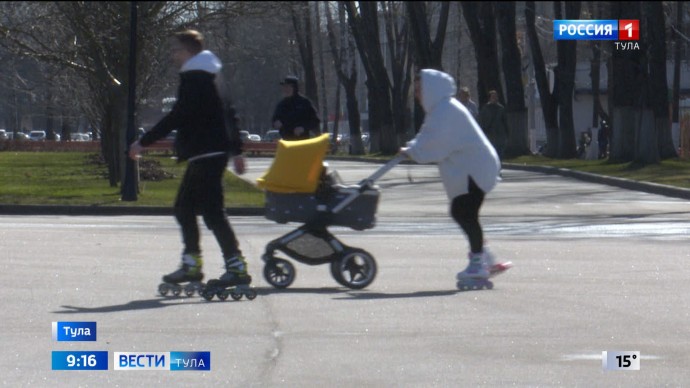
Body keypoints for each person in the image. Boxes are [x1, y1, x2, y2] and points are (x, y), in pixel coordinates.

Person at [128, 30, 252, 293]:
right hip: (210, 152)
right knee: (191, 209)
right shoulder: (211, 74)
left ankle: (230, 266)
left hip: (205, 152)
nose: (173, 55)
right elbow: (229, 113)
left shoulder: (195, 77)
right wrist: (236, 151)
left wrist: (143, 142)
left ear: (188, 51)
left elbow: (179, 115)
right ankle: (203, 263)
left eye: (176, 50)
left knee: (203, 211)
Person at [400, 69, 512, 289]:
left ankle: (479, 263)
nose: (417, 95)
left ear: (431, 89)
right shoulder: (440, 110)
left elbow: (436, 143)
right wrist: (411, 148)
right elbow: (426, 137)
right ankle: (486, 258)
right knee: (465, 213)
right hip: (474, 168)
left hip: (475, 170)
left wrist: (413, 152)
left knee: (463, 212)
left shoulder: (446, 111)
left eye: (420, 89)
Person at [271, 76, 321, 140]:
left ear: (294, 88)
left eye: (288, 87)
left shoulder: (304, 103)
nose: (286, 89)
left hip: (302, 141)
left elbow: (316, 120)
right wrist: (276, 123)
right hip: (286, 141)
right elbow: (274, 119)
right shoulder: (281, 104)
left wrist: (303, 128)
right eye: (284, 87)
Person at [478, 90, 510, 161]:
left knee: (499, 153)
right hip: (489, 135)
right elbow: (481, 121)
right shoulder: (485, 109)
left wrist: (507, 134)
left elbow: (505, 121)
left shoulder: (501, 108)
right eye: (493, 96)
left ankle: (499, 167)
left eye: (496, 96)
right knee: (491, 152)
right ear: (489, 98)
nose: (495, 98)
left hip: (500, 135)